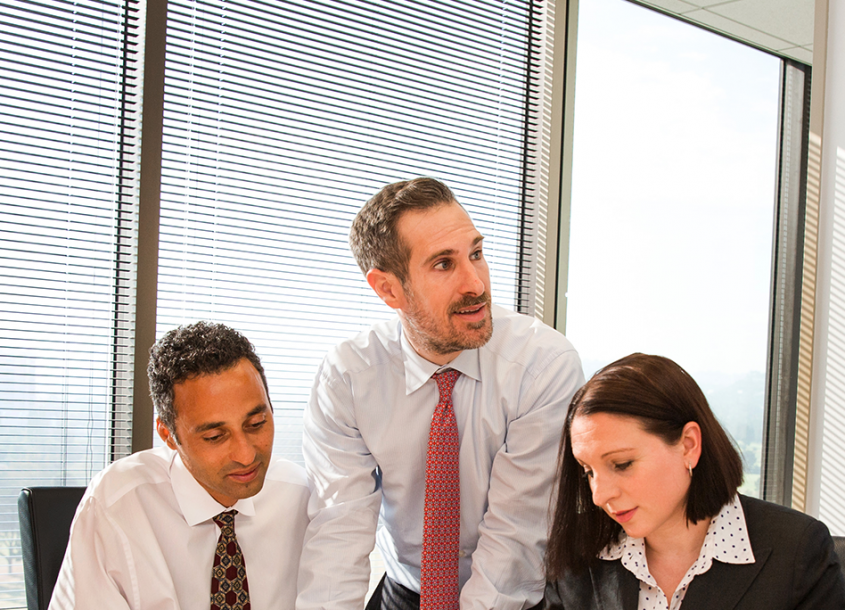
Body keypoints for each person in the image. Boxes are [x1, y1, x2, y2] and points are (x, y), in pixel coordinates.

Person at [296, 177, 585, 610]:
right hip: (405, 591)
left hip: (515, 597)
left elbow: (517, 536)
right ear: (388, 289)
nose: (476, 284)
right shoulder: (348, 377)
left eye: (476, 254)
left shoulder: (542, 365)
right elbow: (339, 530)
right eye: (444, 265)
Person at [543, 353, 845, 610]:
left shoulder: (797, 552)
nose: (599, 495)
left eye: (622, 464)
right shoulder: (579, 555)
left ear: (688, 444)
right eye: (588, 471)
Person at [49, 321, 310, 610]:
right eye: (215, 436)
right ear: (168, 435)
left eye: (256, 424)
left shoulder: (304, 496)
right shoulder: (116, 504)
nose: (246, 455)